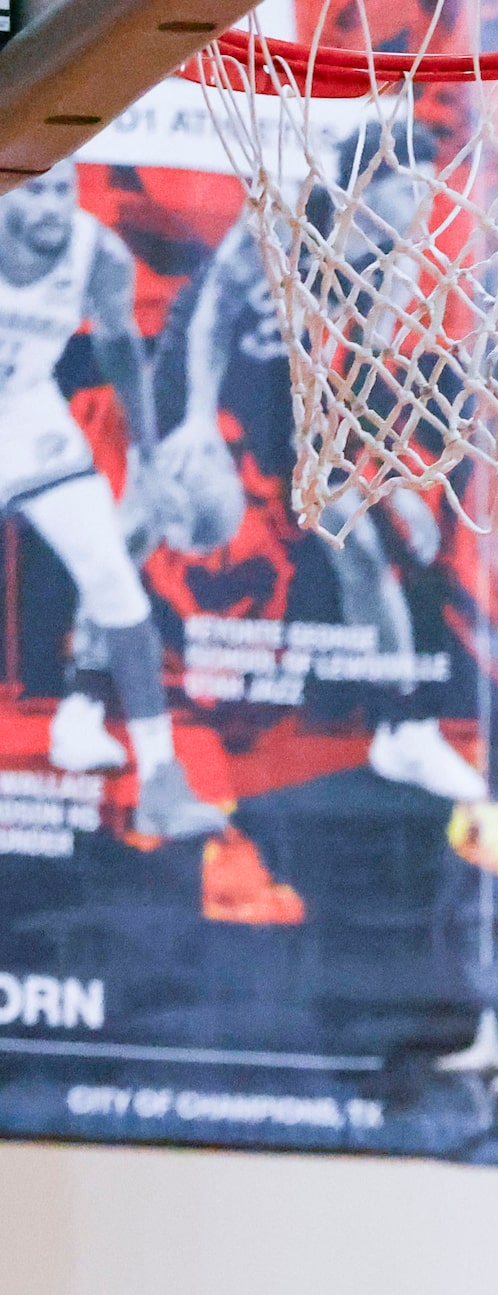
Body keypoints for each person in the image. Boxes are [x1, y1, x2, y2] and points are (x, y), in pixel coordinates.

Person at [149, 117, 498, 891]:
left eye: (429, 194)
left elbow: (356, 390)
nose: (422, 207)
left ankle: (401, 726)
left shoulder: (391, 269)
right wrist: (194, 421)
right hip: (211, 381)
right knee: (149, 527)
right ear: (367, 184)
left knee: (381, 542)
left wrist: (379, 482)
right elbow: (207, 318)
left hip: (297, 414)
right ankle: (110, 710)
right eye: (410, 188)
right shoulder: (281, 219)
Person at [0, 161, 226, 841]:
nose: (49, 208)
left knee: (115, 584)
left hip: (26, 415)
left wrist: (149, 457)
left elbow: (121, 346)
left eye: (61, 191)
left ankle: (160, 780)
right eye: (34, 191)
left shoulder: (93, 251)